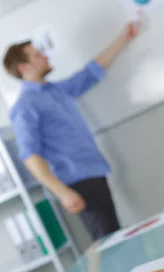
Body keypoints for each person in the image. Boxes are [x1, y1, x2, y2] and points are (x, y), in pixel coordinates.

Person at [3, 23, 139, 241]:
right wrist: (62, 192)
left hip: (94, 174)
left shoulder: (57, 90)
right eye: (37, 55)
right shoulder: (25, 106)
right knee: (109, 245)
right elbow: (30, 156)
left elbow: (91, 72)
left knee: (115, 238)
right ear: (24, 67)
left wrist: (123, 39)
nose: (45, 57)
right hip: (77, 183)